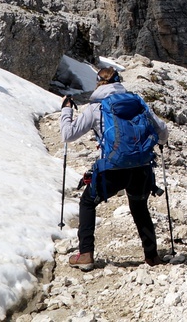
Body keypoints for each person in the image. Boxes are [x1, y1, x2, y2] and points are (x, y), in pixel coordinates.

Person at [60, 66, 169, 270]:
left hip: (112, 169)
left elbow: (68, 134)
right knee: (139, 207)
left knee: (87, 203)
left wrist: (66, 110)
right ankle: (152, 257)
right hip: (141, 168)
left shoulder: (96, 108)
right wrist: (160, 142)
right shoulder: (137, 102)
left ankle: (86, 254)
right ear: (119, 81)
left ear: (98, 83)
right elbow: (162, 130)